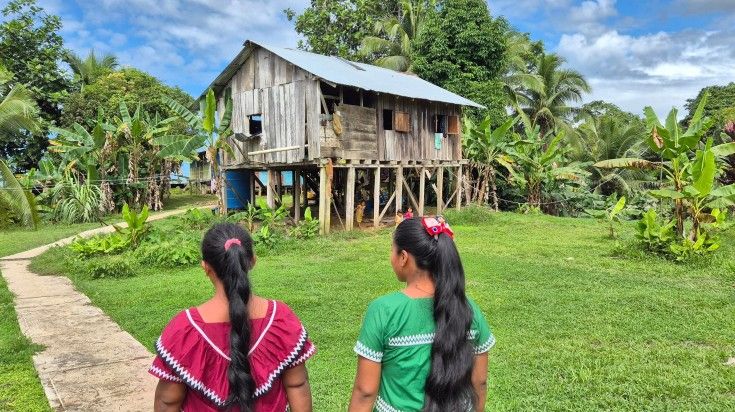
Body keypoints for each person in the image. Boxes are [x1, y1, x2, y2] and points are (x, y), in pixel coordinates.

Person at [149, 223, 316, 412]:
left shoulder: (184, 329)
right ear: (252, 261)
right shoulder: (281, 319)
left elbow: (168, 401)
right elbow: (297, 385)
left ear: (206, 268)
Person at [349, 217, 494, 412]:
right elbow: (480, 382)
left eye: (392, 250)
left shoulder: (383, 310)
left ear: (403, 257)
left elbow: (365, 392)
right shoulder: (469, 309)